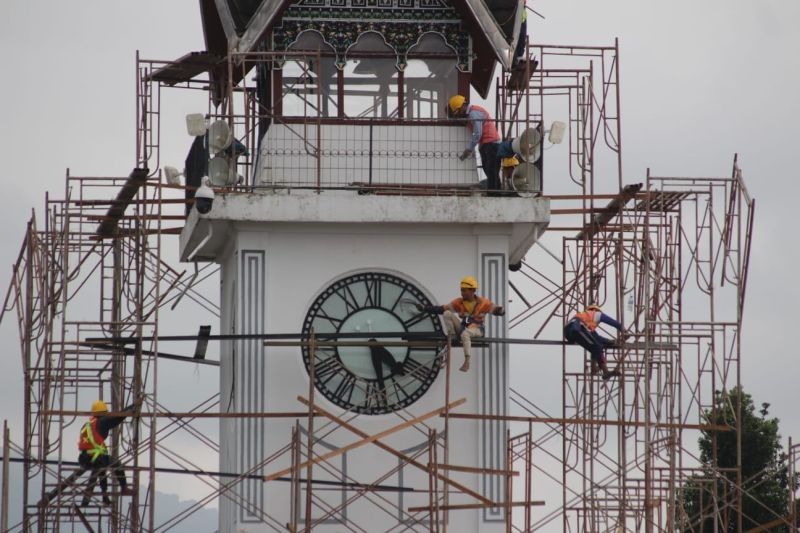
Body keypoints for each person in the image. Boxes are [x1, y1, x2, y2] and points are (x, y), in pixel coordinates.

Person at [420, 276, 505, 372]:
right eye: (461, 290)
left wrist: (500, 311)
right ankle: (451, 336)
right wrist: (425, 308)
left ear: (472, 290)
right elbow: (442, 309)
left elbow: (495, 309)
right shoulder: (459, 302)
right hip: (463, 328)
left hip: (477, 328)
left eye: (464, 290)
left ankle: (467, 361)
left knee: (466, 334)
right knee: (447, 313)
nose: (462, 293)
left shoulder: (483, 303)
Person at [78, 400, 135, 506]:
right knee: (117, 464)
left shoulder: (87, 424)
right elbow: (118, 418)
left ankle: (102, 497)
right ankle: (124, 488)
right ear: (103, 413)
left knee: (100, 470)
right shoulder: (102, 422)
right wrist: (133, 407)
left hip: (84, 458)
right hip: (95, 457)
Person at [448, 95, 502, 192]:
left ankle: (495, 194)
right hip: (487, 144)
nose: (458, 114)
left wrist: (469, 149)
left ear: (463, 106)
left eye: (458, 111)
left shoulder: (474, 113)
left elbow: (477, 133)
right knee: (489, 171)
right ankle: (494, 193)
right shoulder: (471, 115)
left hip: (491, 144)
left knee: (492, 171)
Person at [563, 304, 624, 380]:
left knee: (598, 346)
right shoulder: (595, 313)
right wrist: (624, 332)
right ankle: (594, 368)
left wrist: (610, 342)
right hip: (576, 328)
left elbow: (597, 338)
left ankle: (605, 372)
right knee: (596, 346)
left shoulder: (586, 320)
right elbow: (614, 323)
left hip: (572, 331)